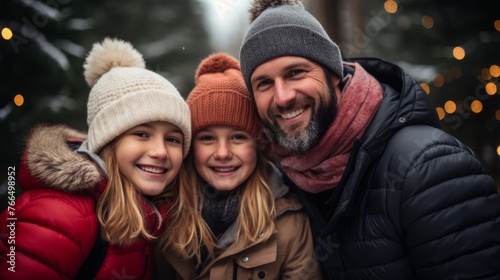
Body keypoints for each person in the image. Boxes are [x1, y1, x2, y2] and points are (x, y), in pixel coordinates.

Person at [238, 0, 500, 279]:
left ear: (333, 74)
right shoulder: (285, 177)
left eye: (296, 72)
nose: (282, 97)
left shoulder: (429, 168)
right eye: (264, 83)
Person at [0, 37, 191, 279]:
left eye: (173, 139)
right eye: (142, 134)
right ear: (107, 142)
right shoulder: (60, 215)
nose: (161, 151)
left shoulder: (158, 216)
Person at [154, 53, 321, 279]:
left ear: (259, 146)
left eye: (238, 138)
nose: (223, 153)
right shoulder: (162, 215)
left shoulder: (288, 222)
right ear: (190, 147)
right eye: (207, 138)